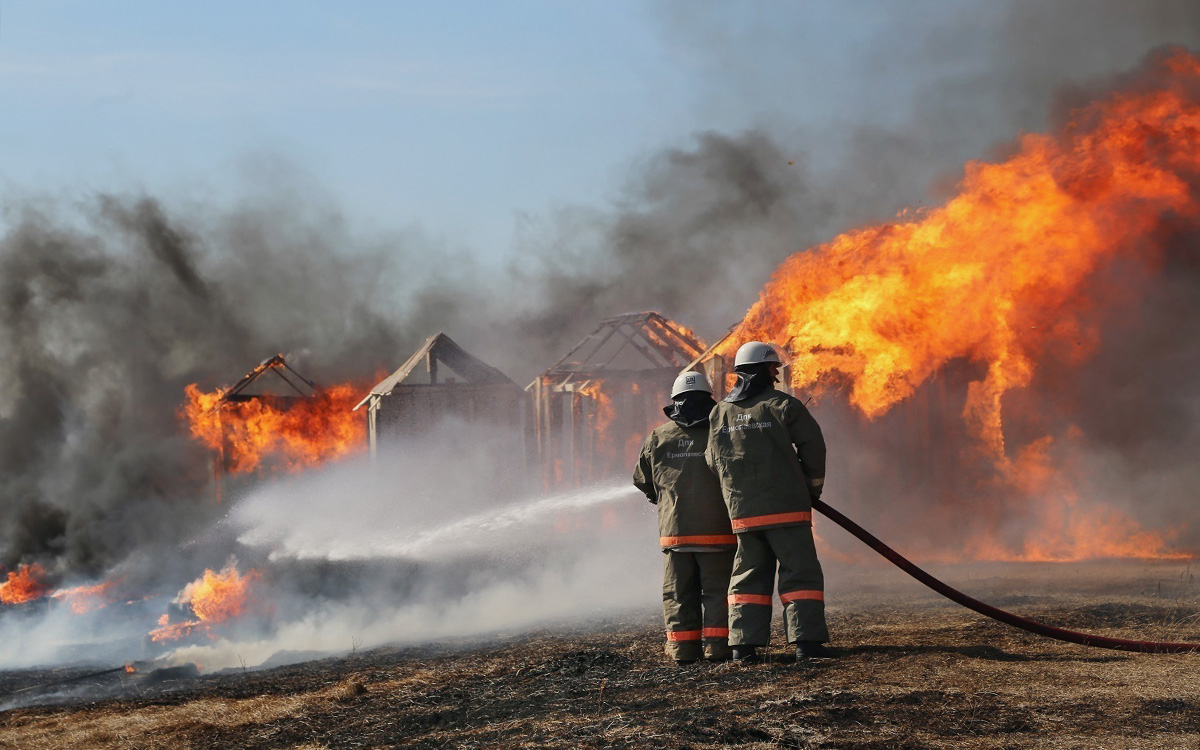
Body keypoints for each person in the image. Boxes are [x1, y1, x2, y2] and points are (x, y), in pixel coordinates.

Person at [705, 341, 832, 662]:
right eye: (772, 368)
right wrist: (811, 489)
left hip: (744, 514)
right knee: (799, 573)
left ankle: (742, 648)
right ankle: (807, 645)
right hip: (788, 510)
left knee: (747, 577)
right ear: (762, 371)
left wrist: (737, 492)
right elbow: (814, 449)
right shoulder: (784, 406)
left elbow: (711, 459)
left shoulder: (719, 413)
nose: (776, 374)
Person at [634, 370, 736, 665]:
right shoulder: (723, 432)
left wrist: (662, 498)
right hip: (719, 532)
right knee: (718, 594)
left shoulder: (659, 436)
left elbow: (642, 479)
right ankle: (718, 648)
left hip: (676, 534)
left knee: (678, 594)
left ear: (675, 403)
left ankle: (682, 651)